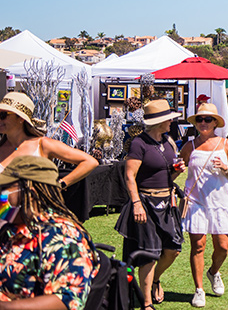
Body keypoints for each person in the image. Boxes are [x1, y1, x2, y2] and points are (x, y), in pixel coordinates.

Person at [0, 155, 99, 309]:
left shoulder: (64, 237)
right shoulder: (10, 229)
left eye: (4, 189)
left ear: (29, 193)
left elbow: (68, 300)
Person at [115, 100, 185, 310]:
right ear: (160, 121)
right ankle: (146, 303)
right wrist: (136, 203)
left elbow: (166, 174)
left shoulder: (168, 141)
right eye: (169, 118)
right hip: (145, 202)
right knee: (150, 253)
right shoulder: (139, 143)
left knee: (173, 249)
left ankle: (155, 280)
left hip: (167, 203)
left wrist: (176, 171)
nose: (172, 121)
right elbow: (129, 175)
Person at [180, 103, 228, 307]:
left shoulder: (226, 144)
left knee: (223, 246)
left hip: (220, 202)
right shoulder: (190, 146)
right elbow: (178, 168)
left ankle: (214, 272)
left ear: (216, 122)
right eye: (200, 119)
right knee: (198, 245)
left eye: (208, 119)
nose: (203, 123)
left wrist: (226, 168)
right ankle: (199, 290)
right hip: (196, 202)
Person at [0, 92, 98, 189]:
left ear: (21, 118)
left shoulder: (42, 145)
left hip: (35, 204)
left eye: (3, 115)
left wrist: (61, 184)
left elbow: (89, 162)